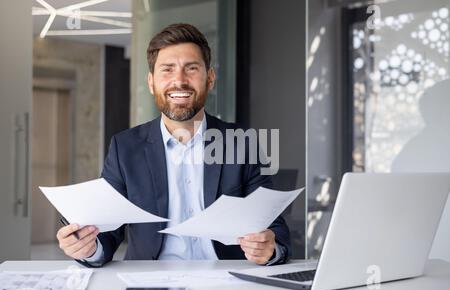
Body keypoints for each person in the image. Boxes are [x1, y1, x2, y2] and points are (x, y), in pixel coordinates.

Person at [56, 23, 291, 267]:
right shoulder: (125, 147)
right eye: (167, 70)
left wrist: (270, 249)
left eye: (191, 68)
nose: (179, 81)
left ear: (210, 79)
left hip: (226, 282)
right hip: (149, 284)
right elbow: (105, 230)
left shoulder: (242, 143)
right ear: (151, 82)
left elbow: (274, 228)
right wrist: (87, 247)